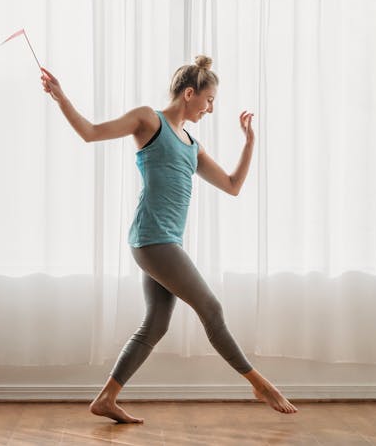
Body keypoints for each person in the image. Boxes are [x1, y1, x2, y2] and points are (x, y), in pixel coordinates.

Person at [39, 56, 298, 423]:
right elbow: (90, 132)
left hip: (166, 241)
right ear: (190, 94)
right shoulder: (149, 120)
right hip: (152, 239)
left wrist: (249, 142)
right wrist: (61, 97)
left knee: (156, 323)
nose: (210, 109)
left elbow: (232, 186)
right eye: (209, 101)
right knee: (212, 309)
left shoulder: (192, 144)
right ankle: (259, 383)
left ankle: (106, 399)